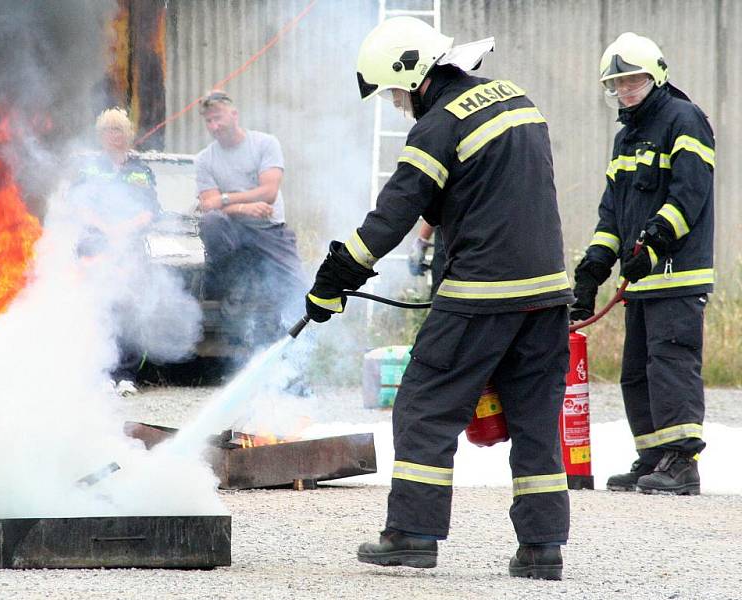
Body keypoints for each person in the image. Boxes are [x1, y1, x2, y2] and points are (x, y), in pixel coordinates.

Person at [304, 17, 573, 579]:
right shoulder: (517, 100)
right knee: (534, 418)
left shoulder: (438, 126)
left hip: (481, 292)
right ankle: (543, 546)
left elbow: (394, 212)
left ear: (414, 72)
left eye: (396, 91)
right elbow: (484, 189)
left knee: (423, 407)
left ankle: (412, 534)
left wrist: (336, 276)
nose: (399, 104)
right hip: (548, 292)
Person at [570, 33, 714, 495]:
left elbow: (688, 195)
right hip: (643, 278)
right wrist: (595, 264)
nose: (625, 90)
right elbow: (613, 210)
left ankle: (682, 462)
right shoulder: (625, 138)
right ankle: (654, 457)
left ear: (655, 75)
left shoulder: (684, 120)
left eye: (632, 80)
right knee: (638, 371)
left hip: (677, 272)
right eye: (617, 84)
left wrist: (652, 244)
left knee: (671, 361)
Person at [195, 90, 305, 342]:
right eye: (209, 121)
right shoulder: (204, 160)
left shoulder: (265, 144)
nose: (214, 126)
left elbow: (268, 192)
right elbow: (208, 206)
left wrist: (224, 199)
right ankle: (235, 280)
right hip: (231, 231)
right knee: (211, 223)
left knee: (300, 289)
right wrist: (244, 207)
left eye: (218, 118)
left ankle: (297, 348)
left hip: (269, 228)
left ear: (234, 115)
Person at [71, 107, 161, 394]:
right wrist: (105, 229)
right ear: (100, 135)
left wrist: (123, 230)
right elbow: (79, 206)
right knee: (99, 308)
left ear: (129, 135)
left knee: (129, 310)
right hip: (94, 248)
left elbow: (150, 210)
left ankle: (127, 376)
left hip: (130, 249)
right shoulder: (88, 169)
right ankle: (101, 374)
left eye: (119, 129)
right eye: (109, 130)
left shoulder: (141, 171)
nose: (114, 135)